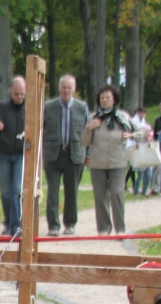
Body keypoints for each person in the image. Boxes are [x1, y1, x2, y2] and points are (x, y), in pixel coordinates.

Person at [82, 85, 135, 235]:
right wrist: (89, 128)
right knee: (100, 196)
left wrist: (131, 135)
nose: (104, 100)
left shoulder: (122, 117)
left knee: (117, 193)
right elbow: (84, 142)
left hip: (118, 162)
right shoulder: (93, 118)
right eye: (102, 98)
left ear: (114, 100)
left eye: (108, 97)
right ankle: (104, 228)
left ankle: (120, 229)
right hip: (98, 163)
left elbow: (143, 132)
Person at [42, 74, 89, 236]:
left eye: (69, 87)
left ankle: (70, 224)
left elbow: (88, 132)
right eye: (64, 87)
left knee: (72, 192)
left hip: (74, 154)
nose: (66, 90)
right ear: (59, 88)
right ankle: (53, 226)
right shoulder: (48, 107)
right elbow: (40, 130)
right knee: (52, 192)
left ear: (74, 89)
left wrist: (88, 155)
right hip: (53, 155)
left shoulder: (82, 108)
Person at [0, 76, 27, 236]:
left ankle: (15, 226)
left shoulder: (30, 108)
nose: (20, 97)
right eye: (16, 94)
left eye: (22, 94)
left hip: (21, 155)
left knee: (16, 190)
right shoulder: (1, 107)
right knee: (6, 193)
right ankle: (9, 222)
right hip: (3, 155)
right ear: (10, 91)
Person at [128, 107, 153, 197]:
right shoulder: (135, 122)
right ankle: (136, 190)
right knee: (140, 174)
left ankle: (144, 190)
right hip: (139, 151)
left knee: (149, 174)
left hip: (146, 152)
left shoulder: (144, 122)